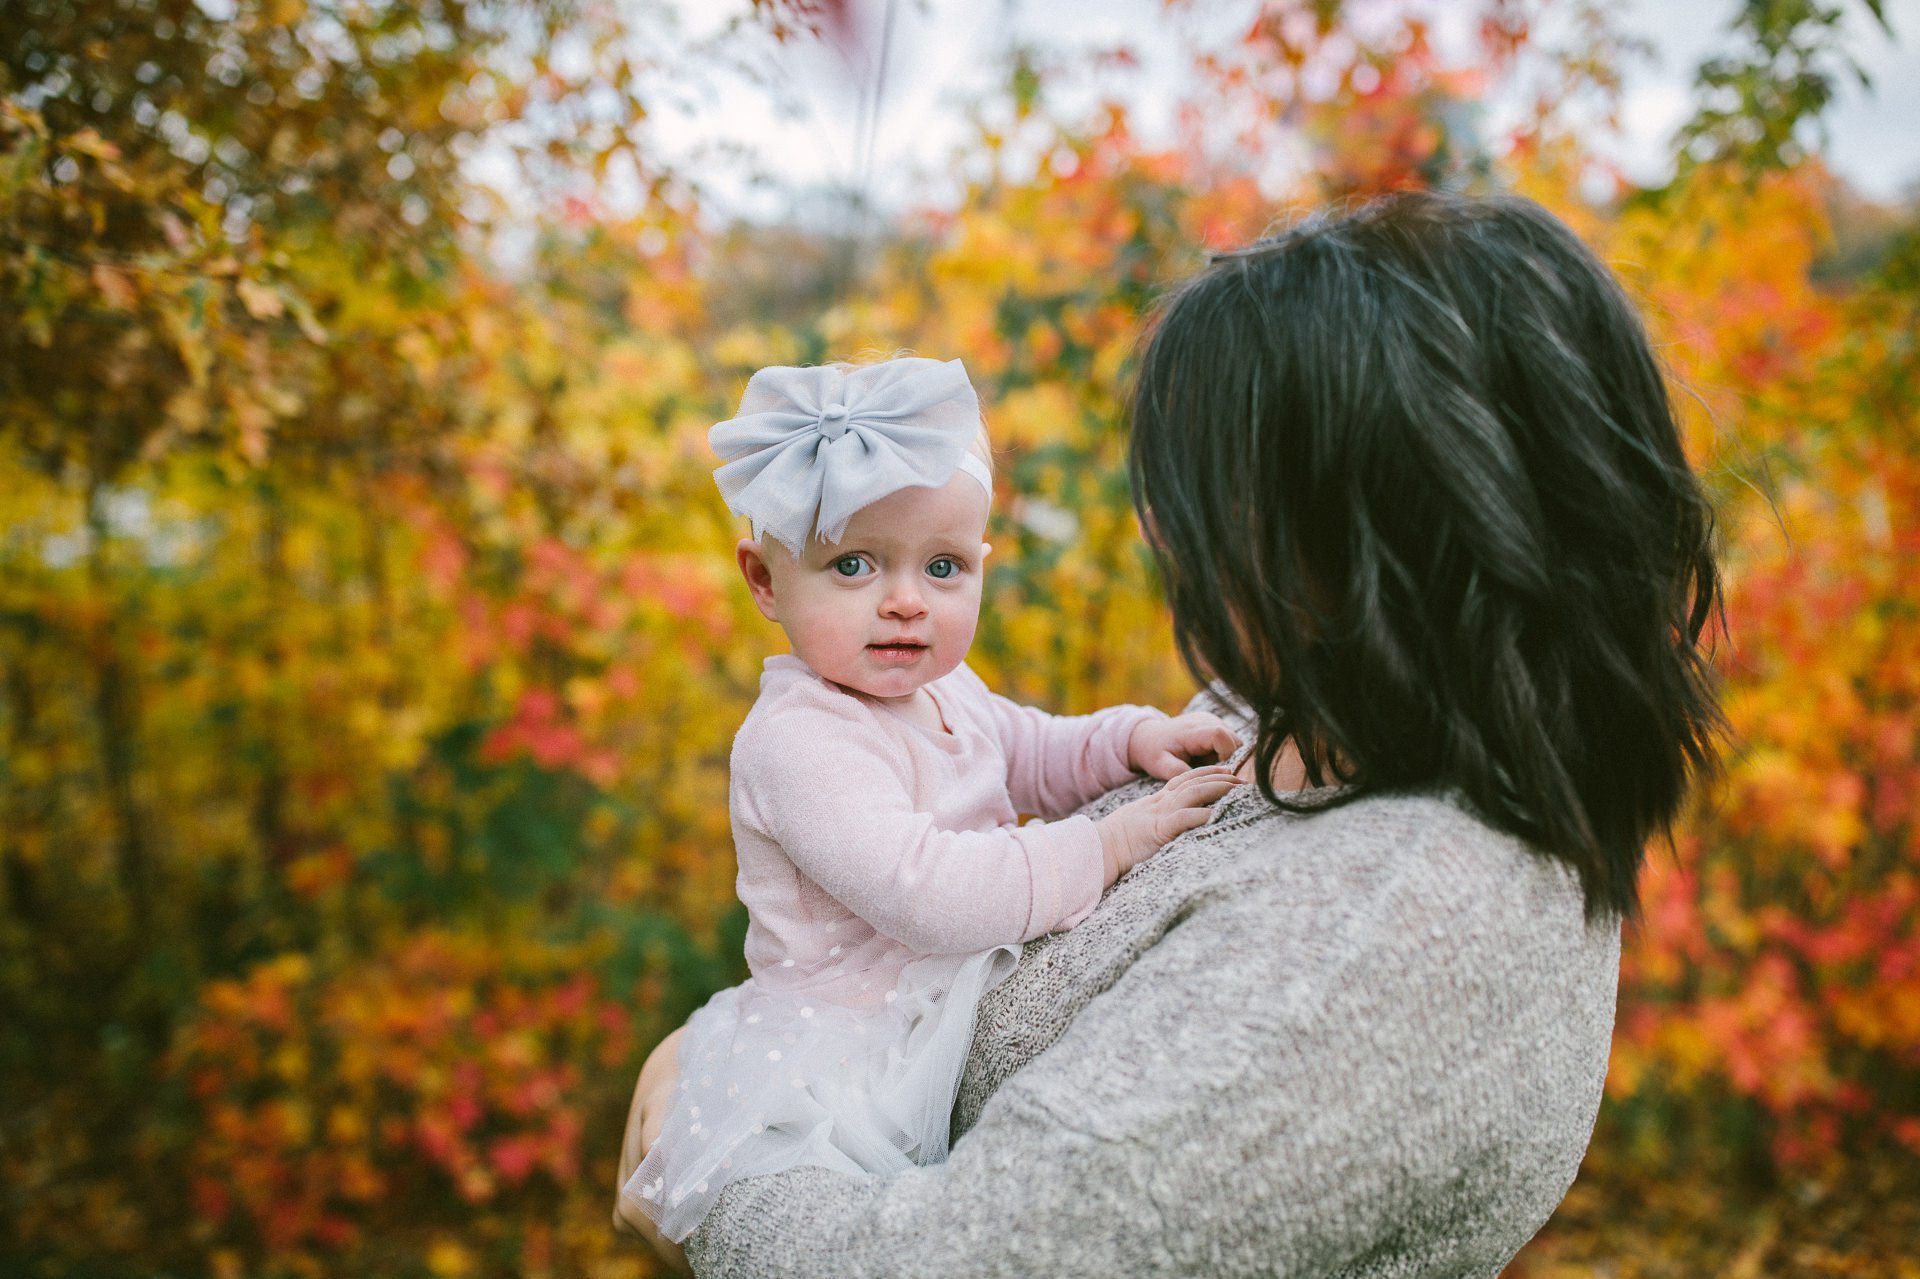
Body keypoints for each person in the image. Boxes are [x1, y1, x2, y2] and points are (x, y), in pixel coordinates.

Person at [616, 192, 1725, 1277]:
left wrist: (711, 1168)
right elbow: (1050, 765)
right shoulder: (1310, 711)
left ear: (1368, 530)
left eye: (1212, 493)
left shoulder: (1372, 945)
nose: (1167, 532)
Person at [618, 356, 1246, 1248]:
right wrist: (1106, 846)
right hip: (860, 1039)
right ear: (764, 580)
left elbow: (1027, 749)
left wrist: (1128, 740)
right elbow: (928, 890)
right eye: (856, 565)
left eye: (944, 566)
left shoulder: (943, 687)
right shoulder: (802, 739)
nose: (907, 601)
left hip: (939, 996)